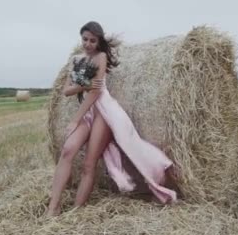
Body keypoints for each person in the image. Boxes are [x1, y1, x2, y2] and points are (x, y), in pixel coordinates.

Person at [46, 21, 177, 216]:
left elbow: (96, 92)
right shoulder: (75, 60)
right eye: (85, 39)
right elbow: (66, 90)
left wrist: (75, 118)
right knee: (67, 151)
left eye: (92, 40)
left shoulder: (101, 57)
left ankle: (75, 212)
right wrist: (83, 86)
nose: (88, 44)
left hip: (104, 112)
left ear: (98, 42)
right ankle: (53, 207)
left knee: (89, 164)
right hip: (88, 111)